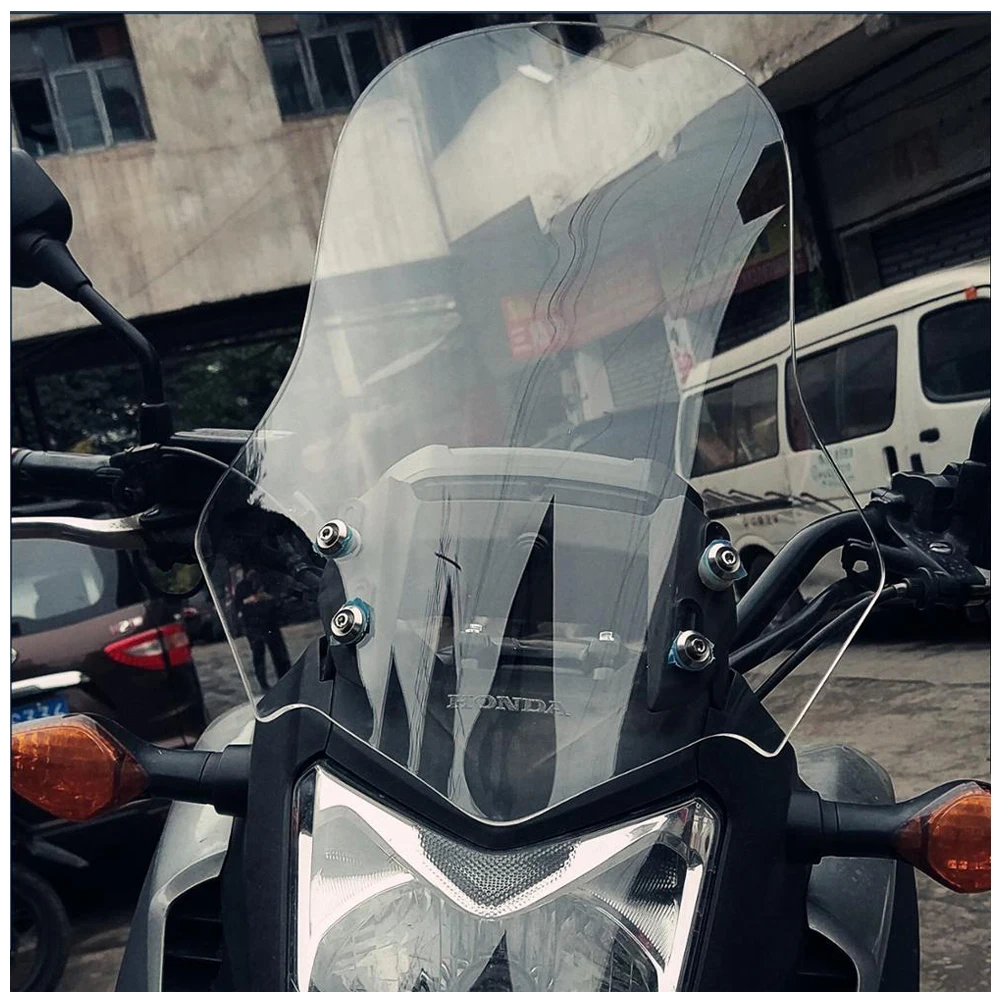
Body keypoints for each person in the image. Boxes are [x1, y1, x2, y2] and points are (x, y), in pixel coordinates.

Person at [234, 568, 291, 691]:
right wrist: (249, 601)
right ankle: (263, 683)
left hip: (269, 622)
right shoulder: (242, 587)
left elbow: (278, 598)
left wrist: (267, 598)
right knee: (258, 655)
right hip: (253, 625)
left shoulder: (267, 582)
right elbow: (237, 605)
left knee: (279, 654)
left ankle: (286, 679)